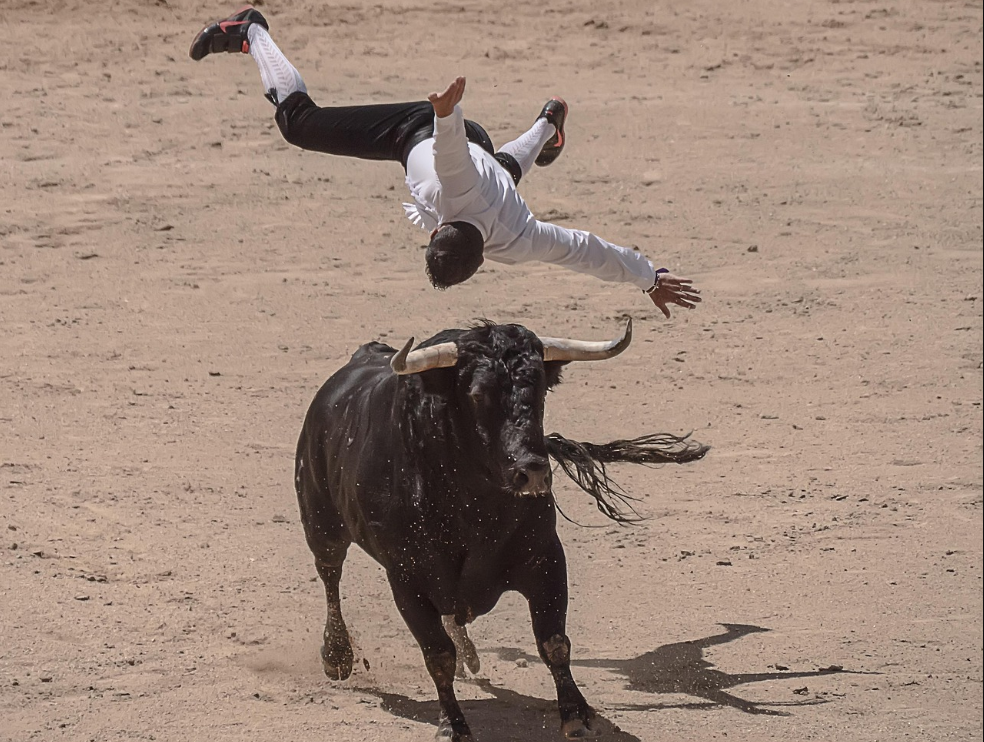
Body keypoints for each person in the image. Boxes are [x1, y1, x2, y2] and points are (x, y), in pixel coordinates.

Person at [189, 6, 701, 317]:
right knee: (298, 125)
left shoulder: (520, 240)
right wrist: (445, 113)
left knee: (500, 177)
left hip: (480, 156)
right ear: (440, 235)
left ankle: (549, 123)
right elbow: (451, 154)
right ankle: (251, 30)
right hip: (419, 129)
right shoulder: (472, 207)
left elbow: (587, 250)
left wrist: (649, 278)